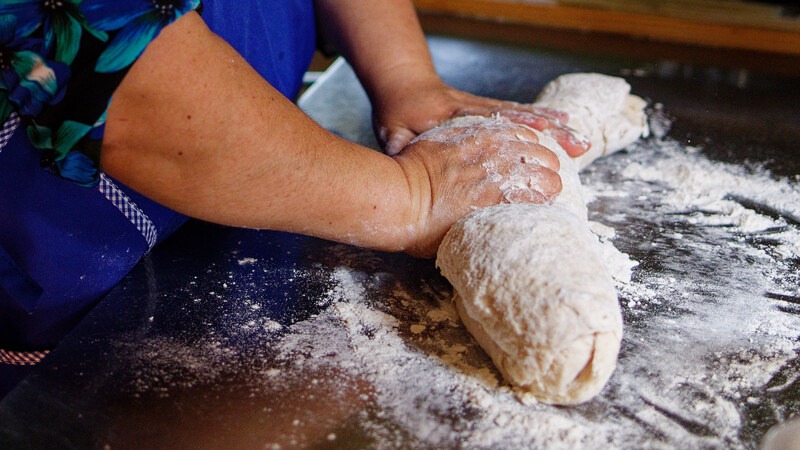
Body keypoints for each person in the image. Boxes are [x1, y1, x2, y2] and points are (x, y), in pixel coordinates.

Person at [0, 0, 588, 397]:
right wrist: (413, 195)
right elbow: (110, 56)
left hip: (232, 217)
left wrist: (408, 79)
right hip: (63, 325)